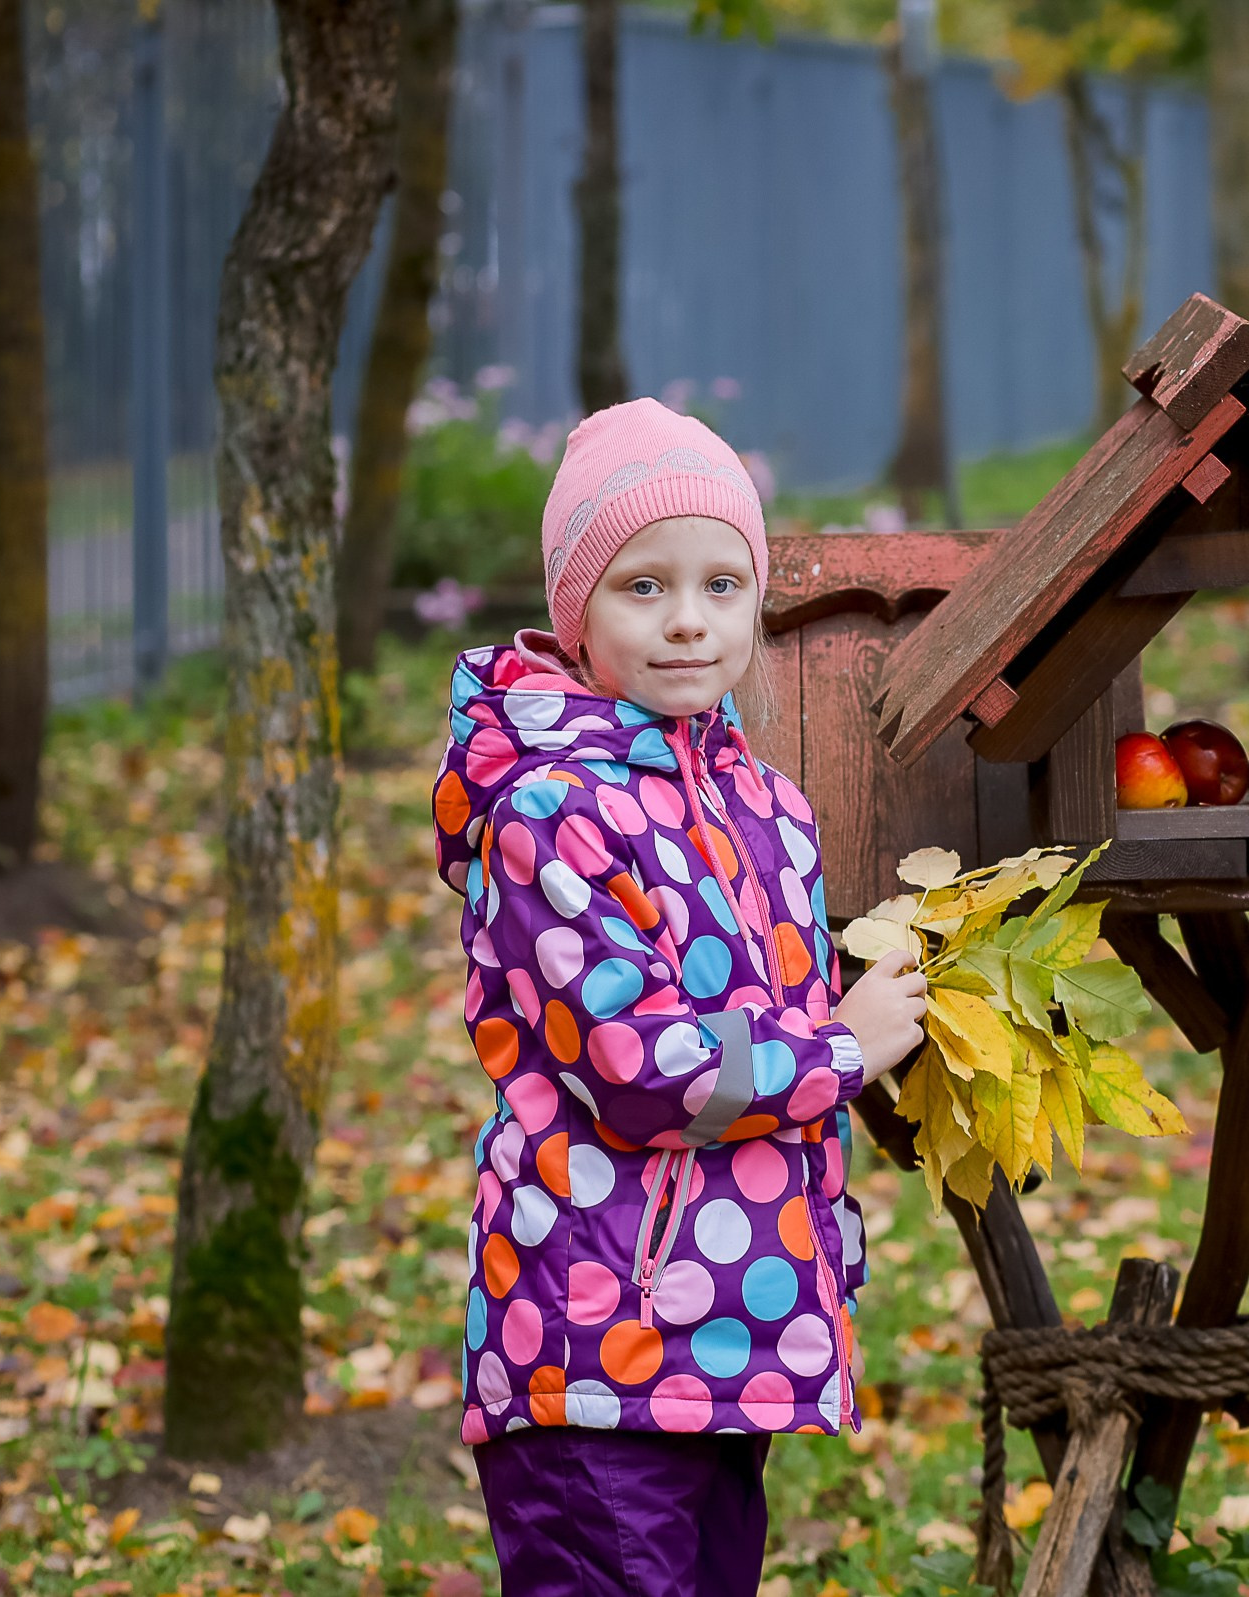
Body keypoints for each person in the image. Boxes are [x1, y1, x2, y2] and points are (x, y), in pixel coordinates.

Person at [432, 398, 929, 1596]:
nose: (690, 622)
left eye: (721, 583)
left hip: (727, 1338)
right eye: (642, 587)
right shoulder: (552, 816)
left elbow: (777, 1032)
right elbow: (651, 1072)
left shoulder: (770, 808)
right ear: (576, 611)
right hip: (595, 1343)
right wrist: (844, 1050)